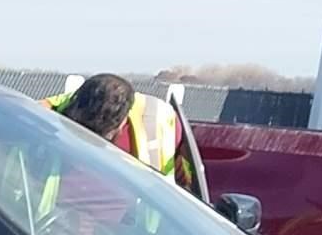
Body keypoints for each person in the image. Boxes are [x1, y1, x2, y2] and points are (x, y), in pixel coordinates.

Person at [47, 72, 204, 197]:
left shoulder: (159, 120)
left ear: (122, 123)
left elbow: (186, 185)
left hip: (130, 232)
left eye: (102, 138)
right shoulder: (43, 116)